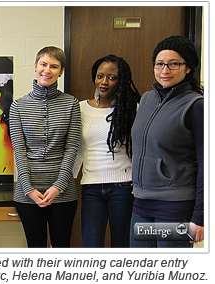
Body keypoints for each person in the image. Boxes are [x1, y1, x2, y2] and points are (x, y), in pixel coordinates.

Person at [130, 35, 204, 247]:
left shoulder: (196, 106)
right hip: (142, 204)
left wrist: (201, 215)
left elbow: (207, 165)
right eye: (160, 64)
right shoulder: (146, 99)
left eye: (173, 64)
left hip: (175, 207)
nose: (165, 70)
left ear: (187, 68)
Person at [9, 46, 81, 248]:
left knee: (62, 247)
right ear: (35, 66)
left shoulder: (71, 104)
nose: (47, 70)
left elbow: (72, 148)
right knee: (36, 248)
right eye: (43, 64)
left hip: (63, 193)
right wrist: (29, 189)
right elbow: (19, 151)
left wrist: (58, 187)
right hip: (27, 193)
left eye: (54, 66)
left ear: (61, 71)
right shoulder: (18, 106)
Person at [74, 55, 140, 247]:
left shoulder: (131, 109)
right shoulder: (81, 109)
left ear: (121, 81)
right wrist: (68, 179)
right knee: (91, 246)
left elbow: (140, 148)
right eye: (100, 76)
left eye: (111, 77)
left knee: (122, 245)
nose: (104, 82)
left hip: (123, 187)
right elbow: (78, 149)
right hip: (91, 187)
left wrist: (138, 179)